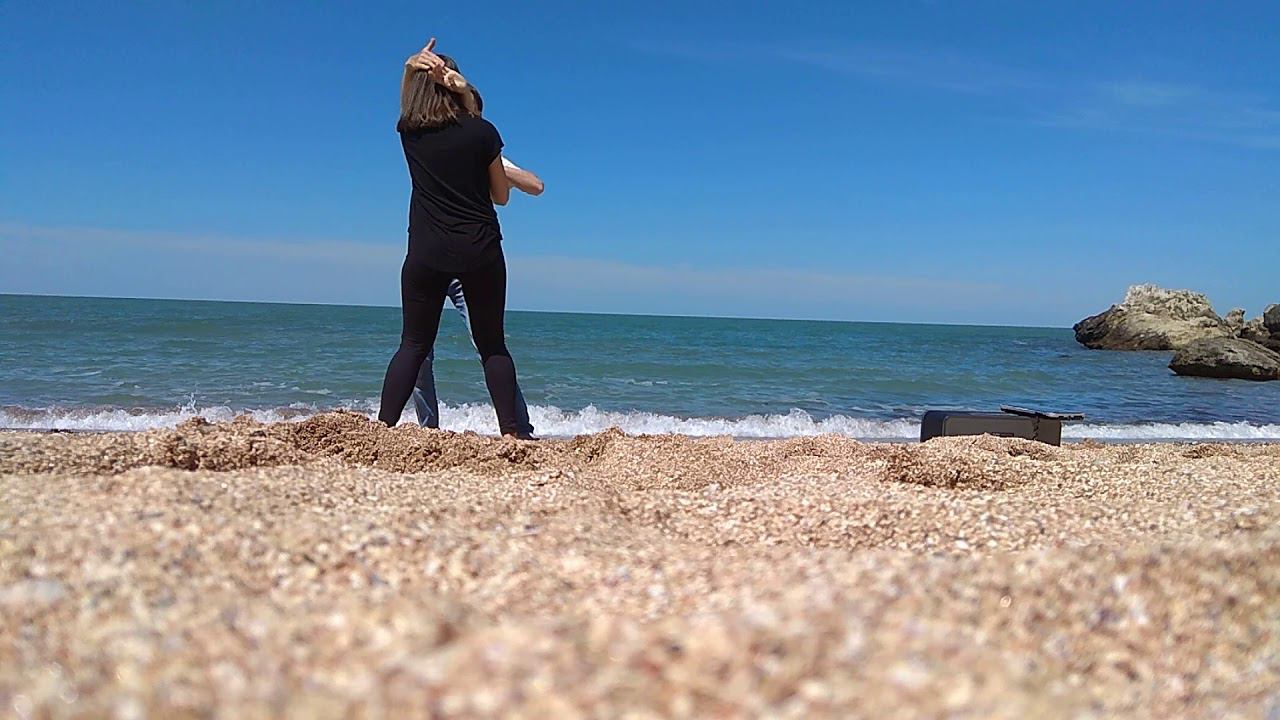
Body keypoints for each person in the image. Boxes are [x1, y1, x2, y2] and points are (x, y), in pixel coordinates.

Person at [377, 39, 531, 438]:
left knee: (413, 345)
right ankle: (512, 435)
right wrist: (466, 94)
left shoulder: (410, 134)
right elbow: (500, 196)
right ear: (455, 84)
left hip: (425, 251)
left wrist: (409, 67)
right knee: (492, 346)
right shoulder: (483, 132)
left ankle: (383, 429)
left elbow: (408, 106)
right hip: (480, 250)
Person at [411, 84, 542, 436]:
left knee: (490, 345)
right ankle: (427, 429)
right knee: (418, 351)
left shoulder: (484, 146)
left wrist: (490, 161)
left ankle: (519, 428)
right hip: (433, 256)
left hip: (473, 261)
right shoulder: (434, 143)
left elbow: (535, 185)